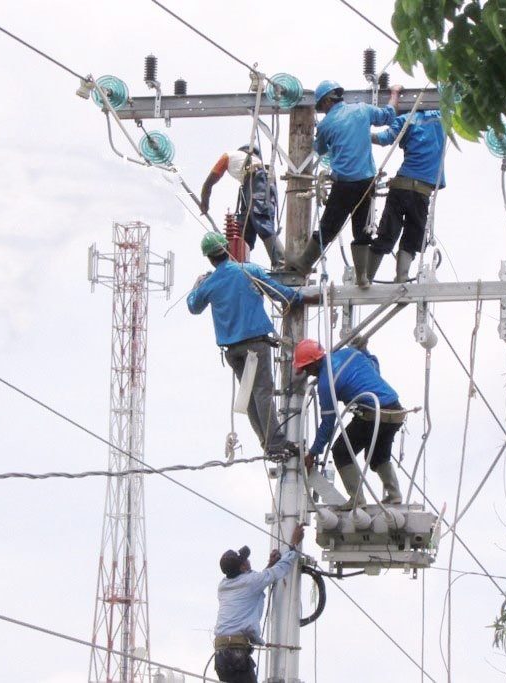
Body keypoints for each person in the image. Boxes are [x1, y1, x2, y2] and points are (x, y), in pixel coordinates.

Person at [188, 232, 303, 455]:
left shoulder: (209, 284)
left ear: (210, 259)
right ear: (227, 250)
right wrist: (299, 297)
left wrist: (197, 285)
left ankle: (267, 442)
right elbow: (280, 293)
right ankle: (276, 443)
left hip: (233, 351)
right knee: (262, 392)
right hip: (255, 345)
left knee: (250, 395)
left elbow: (193, 306)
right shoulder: (248, 271)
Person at [289, 79, 403, 288]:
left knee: (329, 226)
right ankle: (362, 277)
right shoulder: (362, 110)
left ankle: (304, 264)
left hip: (344, 185)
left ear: (325, 103)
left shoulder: (326, 125)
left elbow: (320, 149)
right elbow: (389, 114)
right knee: (362, 229)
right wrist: (394, 93)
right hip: (366, 183)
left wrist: (319, 133)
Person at [293, 337, 406, 506]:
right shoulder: (351, 353)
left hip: (373, 415)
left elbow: (328, 423)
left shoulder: (326, 383)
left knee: (341, 451)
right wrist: (365, 351)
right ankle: (395, 495)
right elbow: (374, 367)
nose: (307, 373)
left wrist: (313, 452)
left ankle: (357, 500)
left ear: (314, 363)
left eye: (306, 368)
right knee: (377, 456)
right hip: (396, 411)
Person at [213, 523, 305, 683]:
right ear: (242, 567)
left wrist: (269, 565)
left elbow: (253, 583)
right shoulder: (251, 581)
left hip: (221, 655)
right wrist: (294, 545)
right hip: (236, 654)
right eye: (245, 560)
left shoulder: (223, 585)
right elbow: (279, 570)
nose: (248, 561)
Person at [368, 109, 447, 283]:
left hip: (402, 186)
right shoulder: (444, 117)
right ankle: (401, 277)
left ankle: (366, 278)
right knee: (412, 236)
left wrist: (360, 133)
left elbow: (384, 138)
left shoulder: (406, 119)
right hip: (422, 191)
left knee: (387, 233)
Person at [200, 144, 285, 269]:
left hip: (257, 182)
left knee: (260, 220)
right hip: (258, 184)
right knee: (245, 229)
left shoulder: (229, 156)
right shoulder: (253, 161)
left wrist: (204, 203)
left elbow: (209, 183)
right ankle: (238, 264)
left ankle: (281, 261)